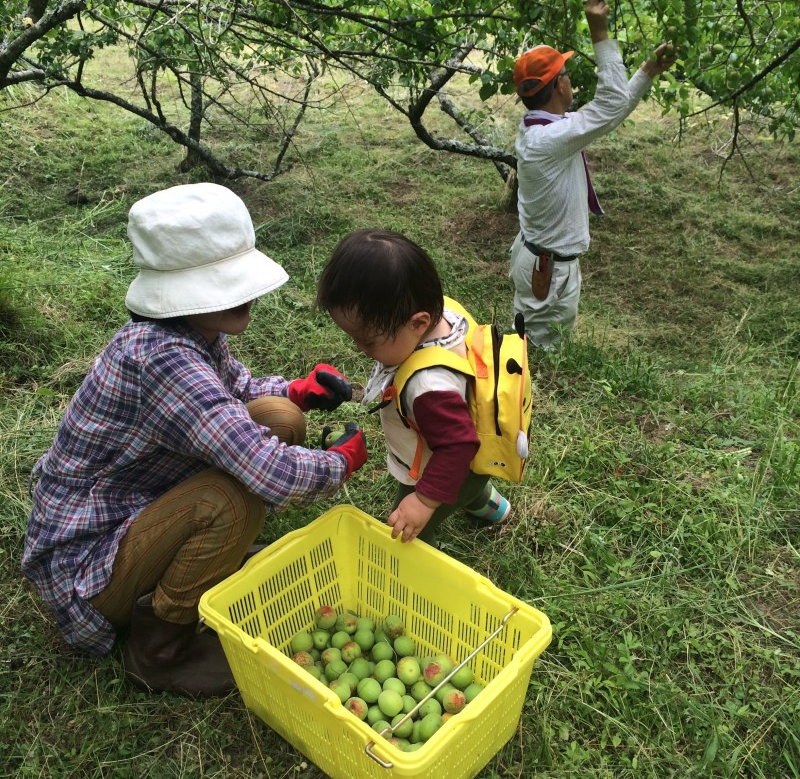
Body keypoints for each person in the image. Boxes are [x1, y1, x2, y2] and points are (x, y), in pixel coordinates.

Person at [21, 182, 368, 698]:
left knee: (280, 417)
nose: (246, 295)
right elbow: (272, 473)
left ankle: (199, 557)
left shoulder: (192, 331)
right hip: (88, 563)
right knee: (229, 499)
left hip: (139, 502)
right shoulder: (162, 361)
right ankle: (162, 647)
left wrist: (298, 392)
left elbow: (238, 392)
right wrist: (339, 462)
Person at [315, 228, 510, 547]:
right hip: (475, 460)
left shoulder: (428, 386)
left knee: (408, 532)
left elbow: (458, 447)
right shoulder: (447, 315)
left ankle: (424, 548)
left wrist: (423, 502)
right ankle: (486, 502)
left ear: (418, 323)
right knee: (468, 484)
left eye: (367, 340)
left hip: (444, 467)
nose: (359, 348)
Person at [509, 0, 677, 349]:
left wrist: (646, 71)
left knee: (526, 341)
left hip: (540, 260)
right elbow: (609, 104)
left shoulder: (544, 129)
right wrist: (599, 31)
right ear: (561, 85)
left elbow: (608, 113)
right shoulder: (550, 139)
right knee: (539, 358)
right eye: (566, 74)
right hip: (549, 271)